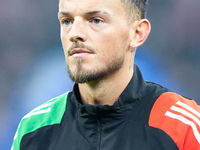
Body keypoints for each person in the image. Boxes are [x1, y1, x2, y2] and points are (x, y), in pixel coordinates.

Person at [11, 0, 200, 149]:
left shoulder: (184, 128)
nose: (75, 34)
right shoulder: (33, 129)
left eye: (96, 20)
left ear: (137, 33)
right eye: (67, 21)